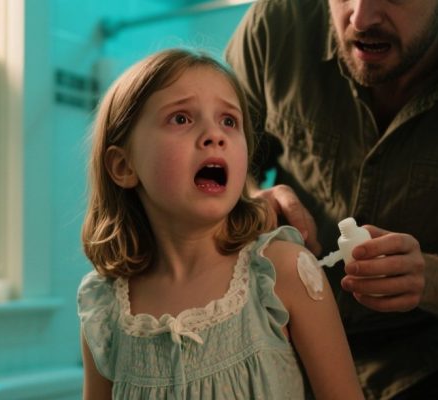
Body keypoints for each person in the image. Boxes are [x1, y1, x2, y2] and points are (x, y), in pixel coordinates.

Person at [225, 0, 438, 398]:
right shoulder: (274, 24)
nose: (360, 18)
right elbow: (220, 162)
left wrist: (426, 278)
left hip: (417, 368)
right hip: (278, 349)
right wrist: (251, 200)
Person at [77, 48, 364, 399]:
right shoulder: (104, 310)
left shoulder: (283, 272)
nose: (215, 134)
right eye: (181, 118)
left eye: (229, 121)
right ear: (124, 166)